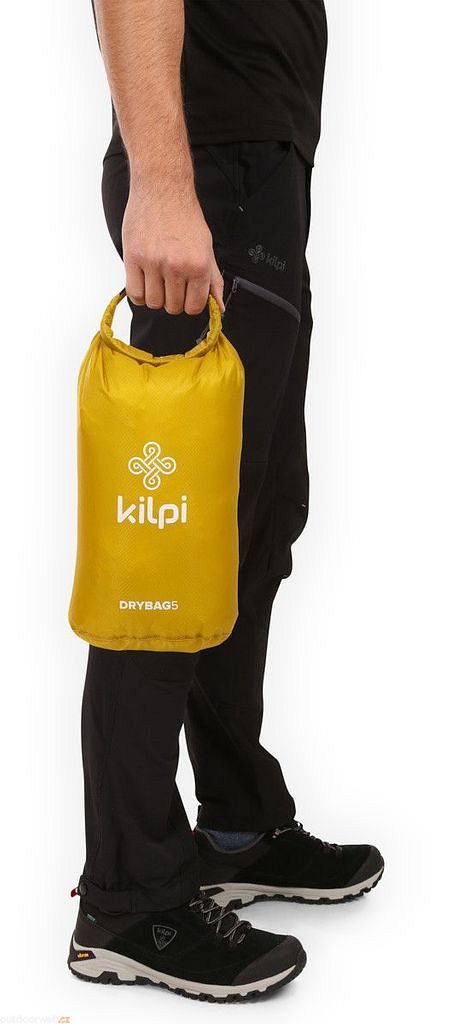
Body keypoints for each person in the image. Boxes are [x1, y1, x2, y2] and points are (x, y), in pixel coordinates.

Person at [68, 0, 384, 1002]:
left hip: (259, 179)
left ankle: (237, 822)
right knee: (167, 552)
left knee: (255, 527)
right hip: (209, 175)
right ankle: (129, 898)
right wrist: (163, 184)